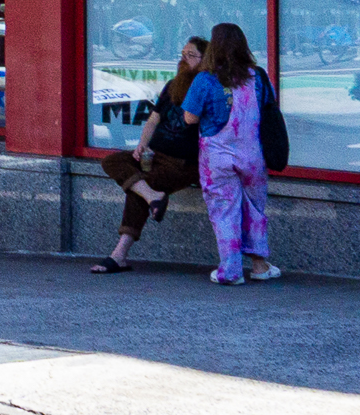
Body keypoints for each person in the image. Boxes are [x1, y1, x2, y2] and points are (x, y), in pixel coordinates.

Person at [89, 37, 206, 273]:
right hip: (155, 155)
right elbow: (153, 119)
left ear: (205, 61)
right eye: (182, 53)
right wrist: (141, 145)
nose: (184, 59)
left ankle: (119, 254)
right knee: (112, 161)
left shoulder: (206, 87)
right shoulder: (173, 85)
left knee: (139, 189)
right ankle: (153, 196)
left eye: (191, 55)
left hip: (183, 164)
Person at [183, 21, 279, 285]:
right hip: (253, 156)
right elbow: (269, 110)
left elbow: (190, 118)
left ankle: (231, 270)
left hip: (217, 157)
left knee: (224, 210)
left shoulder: (205, 79)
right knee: (255, 209)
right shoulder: (257, 77)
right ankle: (259, 266)